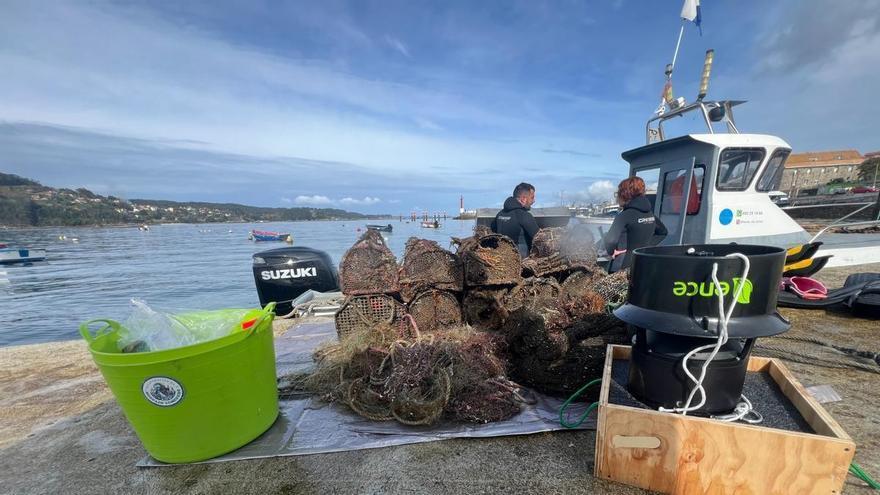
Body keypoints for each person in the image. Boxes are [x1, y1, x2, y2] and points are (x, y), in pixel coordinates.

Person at [603, 176, 667, 272]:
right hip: (643, 264)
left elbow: (610, 240)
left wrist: (611, 252)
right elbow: (663, 232)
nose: (617, 197)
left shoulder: (624, 216)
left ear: (625, 194)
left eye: (618, 193)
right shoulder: (650, 214)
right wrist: (644, 247)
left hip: (622, 267)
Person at [491, 182, 539, 257]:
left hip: (501, 261)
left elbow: (492, 233)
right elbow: (539, 238)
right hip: (521, 263)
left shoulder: (499, 214)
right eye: (532, 198)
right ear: (523, 199)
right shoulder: (524, 216)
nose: (533, 201)